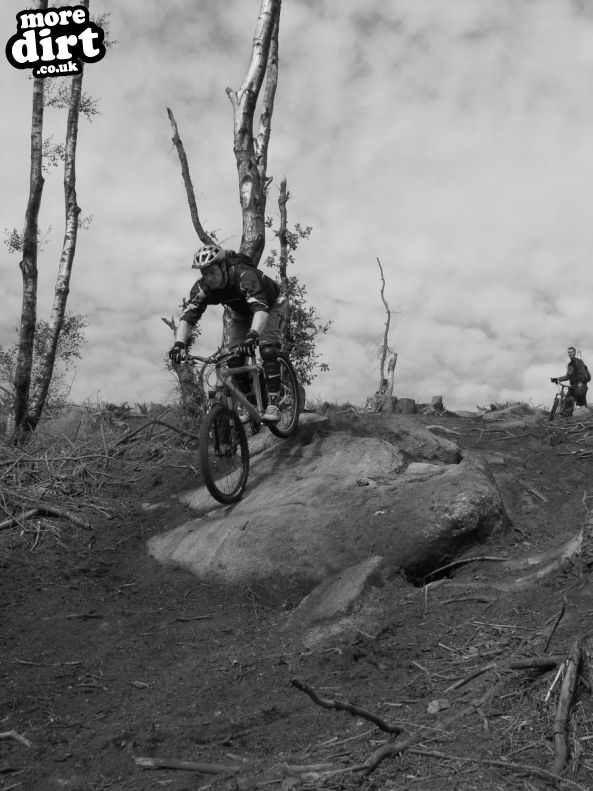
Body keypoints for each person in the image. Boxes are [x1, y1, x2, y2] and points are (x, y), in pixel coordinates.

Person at [168, 244, 284, 423]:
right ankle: (253, 402)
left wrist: (253, 335)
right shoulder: (203, 287)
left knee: (267, 348)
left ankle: (274, 403)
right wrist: (179, 344)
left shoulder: (244, 275)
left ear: (223, 267)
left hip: (272, 305)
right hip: (242, 314)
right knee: (234, 360)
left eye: (212, 272)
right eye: (204, 273)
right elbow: (188, 316)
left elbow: (261, 309)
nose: (209, 278)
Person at [551, 346, 589, 415]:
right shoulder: (570, 365)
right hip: (573, 386)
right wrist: (557, 379)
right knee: (566, 400)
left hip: (579, 385)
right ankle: (564, 415)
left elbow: (583, 372)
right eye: (569, 352)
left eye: (572, 352)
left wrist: (581, 382)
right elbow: (568, 376)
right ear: (568, 354)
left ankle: (582, 416)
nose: (570, 353)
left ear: (574, 353)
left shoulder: (578, 361)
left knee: (581, 407)